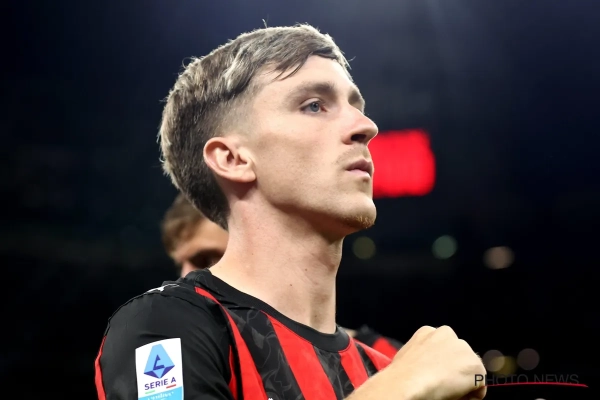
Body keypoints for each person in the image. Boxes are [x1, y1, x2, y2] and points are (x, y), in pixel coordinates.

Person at [95, 24, 486, 400]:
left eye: (356, 106)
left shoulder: (387, 368)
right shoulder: (162, 328)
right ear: (233, 158)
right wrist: (400, 390)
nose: (366, 126)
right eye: (314, 105)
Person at [160, 192, 404, 358]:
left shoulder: (390, 362)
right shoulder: (186, 361)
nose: (185, 278)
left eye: (207, 259)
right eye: (180, 265)